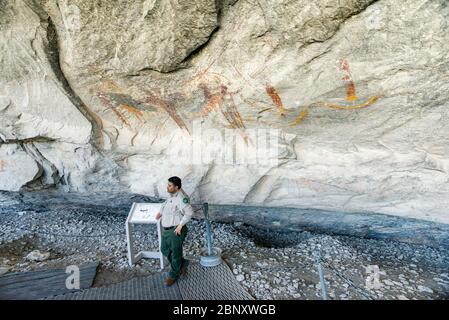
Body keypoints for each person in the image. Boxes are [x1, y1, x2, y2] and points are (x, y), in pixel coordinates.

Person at [155, 176, 194, 286]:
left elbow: (190, 212)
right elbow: (166, 203)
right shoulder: (173, 194)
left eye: (169, 185)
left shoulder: (181, 198)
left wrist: (180, 226)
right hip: (167, 230)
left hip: (175, 230)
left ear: (176, 187)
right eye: (168, 185)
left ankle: (173, 275)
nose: (167, 187)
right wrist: (160, 212)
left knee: (176, 255)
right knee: (164, 249)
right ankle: (183, 264)